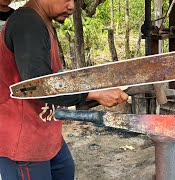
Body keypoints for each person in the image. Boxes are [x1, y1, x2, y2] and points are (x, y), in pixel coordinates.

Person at [0, 0, 128, 179]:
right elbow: (38, 84)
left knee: (65, 170)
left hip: (46, 130)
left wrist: (93, 86)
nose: (72, 6)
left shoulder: (42, 19)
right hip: (23, 140)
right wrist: (92, 94)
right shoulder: (27, 22)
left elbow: (52, 74)